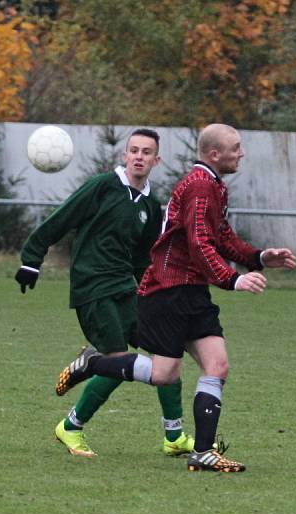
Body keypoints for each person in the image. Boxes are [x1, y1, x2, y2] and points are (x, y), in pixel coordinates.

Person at [54, 123, 296, 472]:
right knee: (164, 374)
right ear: (215, 154)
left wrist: (259, 257)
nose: (241, 153)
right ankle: (94, 363)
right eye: (236, 147)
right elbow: (200, 242)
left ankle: (202, 452)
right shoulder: (200, 187)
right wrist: (232, 279)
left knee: (217, 365)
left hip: (192, 291)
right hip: (168, 291)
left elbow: (222, 237)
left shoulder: (213, 185)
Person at [15, 128, 194, 458]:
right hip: (92, 285)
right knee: (117, 361)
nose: (139, 156)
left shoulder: (151, 206)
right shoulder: (102, 187)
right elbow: (61, 219)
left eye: (146, 152)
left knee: (167, 352)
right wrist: (31, 260)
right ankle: (70, 426)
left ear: (157, 160)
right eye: (134, 150)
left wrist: (154, 293)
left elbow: (144, 258)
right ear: (124, 155)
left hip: (127, 287)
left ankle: (174, 436)